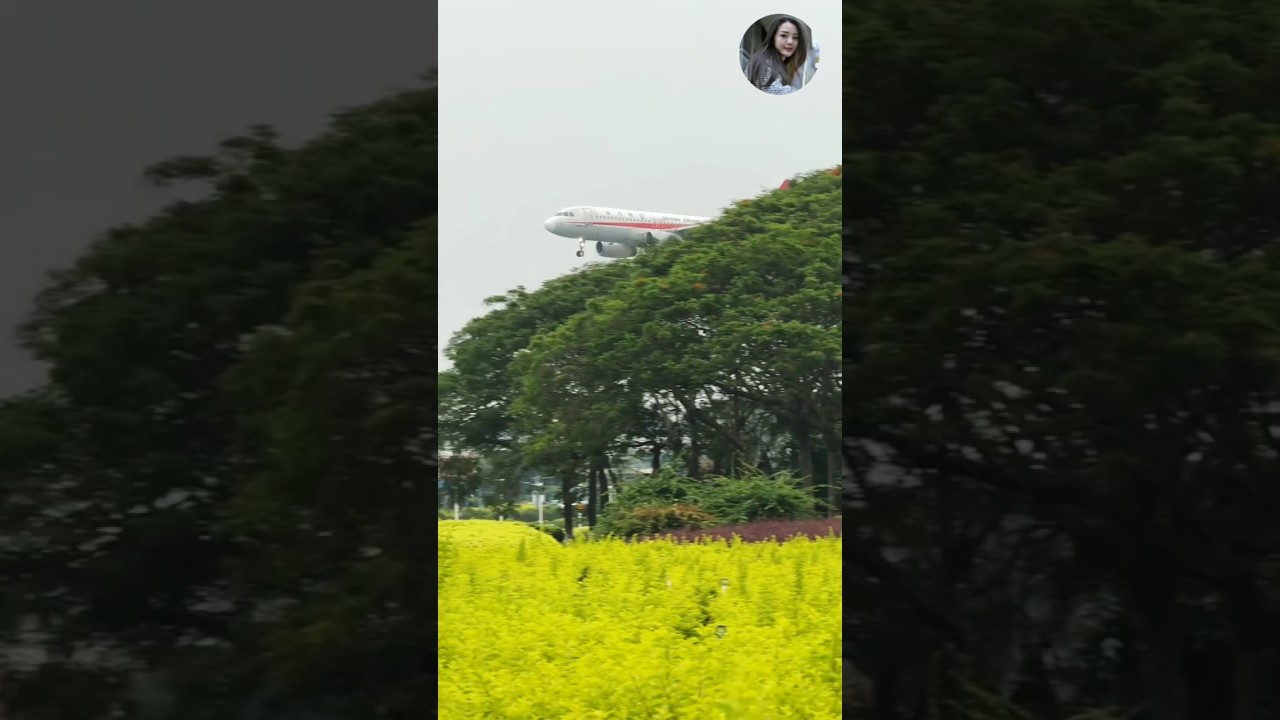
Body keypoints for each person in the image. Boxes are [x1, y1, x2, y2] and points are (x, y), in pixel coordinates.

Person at [745, 16, 810, 95]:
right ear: (773, 38)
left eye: (795, 37)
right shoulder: (765, 62)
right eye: (783, 35)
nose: (790, 42)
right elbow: (775, 91)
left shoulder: (778, 63)